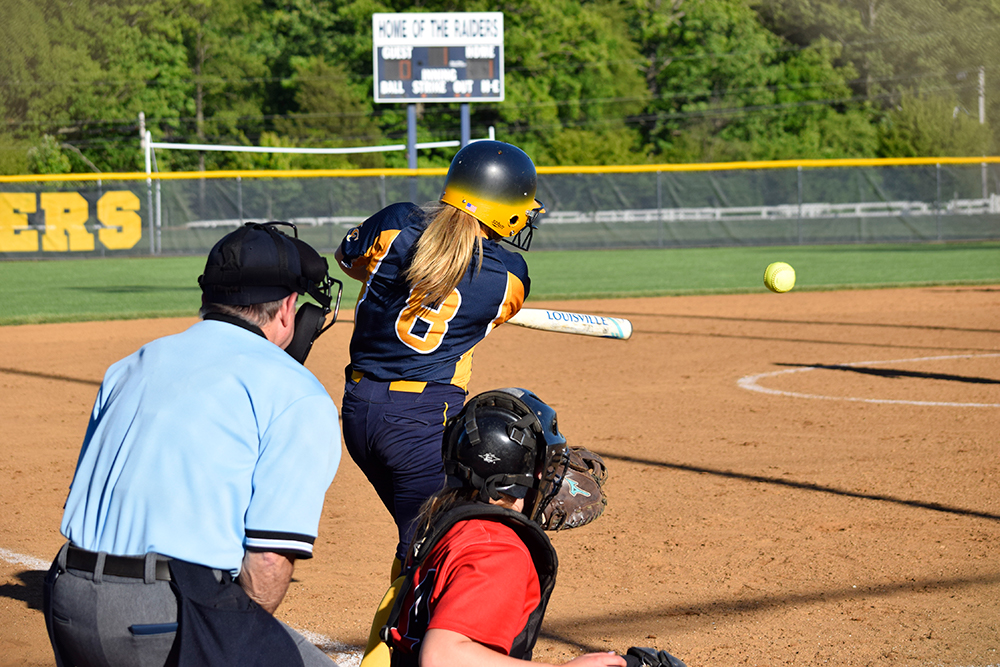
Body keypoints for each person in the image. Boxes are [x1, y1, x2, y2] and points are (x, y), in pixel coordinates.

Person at [43, 222, 345, 667]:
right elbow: (266, 567)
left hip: (65, 598)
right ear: (287, 309)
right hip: (159, 618)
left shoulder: (131, 364)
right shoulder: (294, 391)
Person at [333, 140, 545, 573]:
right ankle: (401, 638)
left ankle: (402, 632)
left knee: (418, 539)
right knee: (432, 550)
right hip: (421, 420)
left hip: (358, 412)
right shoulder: (510, 278)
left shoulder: (395, 223)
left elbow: (348, 259)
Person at [379, 388, 686, 667]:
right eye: (543, 464)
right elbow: (443, 657)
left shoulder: (449, 523)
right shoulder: (498, 550)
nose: (549, 475)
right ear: (515, 477)